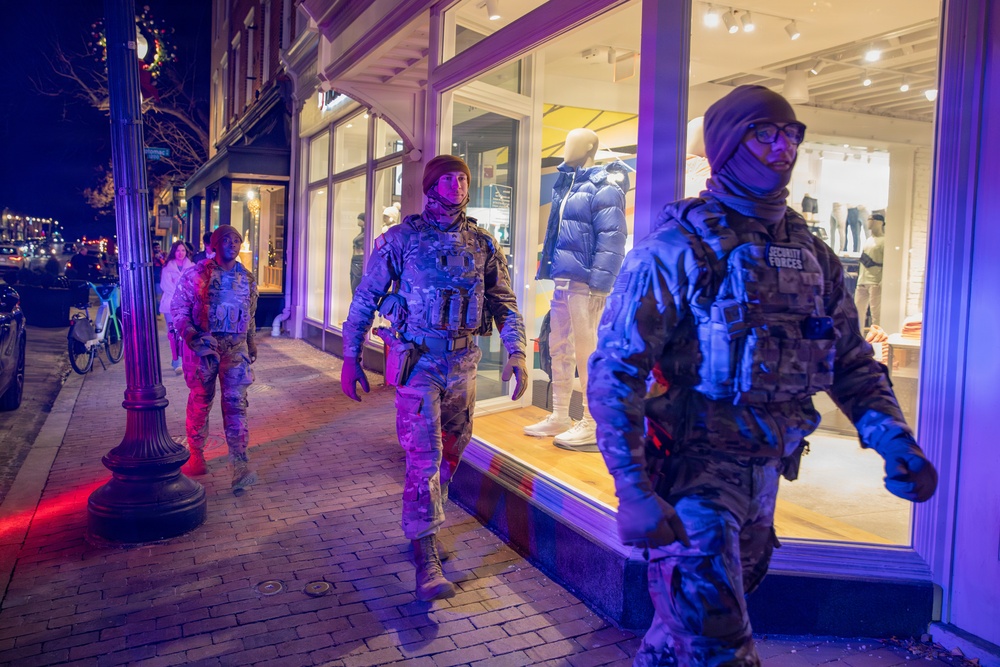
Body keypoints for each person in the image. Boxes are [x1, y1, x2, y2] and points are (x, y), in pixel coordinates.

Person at [588, 85, 937, 666]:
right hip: (691, 480)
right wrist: (632, 490)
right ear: (729, 146)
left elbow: (850, 361)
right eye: (764, 133)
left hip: (767, 477)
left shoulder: (812, 254)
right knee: (720, 648)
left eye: (792, 134)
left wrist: (893, 439)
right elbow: (616, 372)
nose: (783, 148)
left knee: (681, 635)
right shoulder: (677, 248)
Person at [341, 155, 527, 602]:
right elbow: (366, 297)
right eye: (448, 178)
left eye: (463, 178)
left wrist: (518, 351)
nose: (458, 185)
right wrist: (350, 356)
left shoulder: (483, 242)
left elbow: (504, 301)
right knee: (424, 458)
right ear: (429, 186)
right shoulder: (400, 240)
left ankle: (425, 525)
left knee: (452, 453)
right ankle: (426, 556)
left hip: (463, 364)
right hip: (419, 362)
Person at [523, 128, 628, 451]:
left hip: (586, 284)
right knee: (558, 348)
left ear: (591, 147)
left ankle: (592, 422)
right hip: (564, 279)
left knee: (588, 354)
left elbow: (613, 239)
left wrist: (600, 285)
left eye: (574, 143)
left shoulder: (604, 187)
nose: (566, 149)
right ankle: (559, 415)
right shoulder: (567, 185)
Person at [171, 225, 259, 492]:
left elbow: (251, 314)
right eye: (227, 239)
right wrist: (192, 337)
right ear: (215, 244)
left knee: (236, 404)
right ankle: (196, 454)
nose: (233, 244)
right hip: (204, 350)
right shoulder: (197, 274)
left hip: (235, 349)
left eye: (237, 240)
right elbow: (179, 309)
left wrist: (251, 343)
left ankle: (240, 464)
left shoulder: (247, 278)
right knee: (200, 402)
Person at [159, 240, 195, 374]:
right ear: (174, 251)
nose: (181, 253)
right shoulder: (167, 267)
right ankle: (176, 360)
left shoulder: (191, 267)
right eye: (178, 250)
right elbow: (165, 285)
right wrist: (180, 290)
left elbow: (192, 284)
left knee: (183, 333)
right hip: (170, 304)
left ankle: (182, 360)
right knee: (173, 333)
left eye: (183, 250)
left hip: (186, 305)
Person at [855, 212, 885, 329]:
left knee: (876, 314)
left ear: (879, 222)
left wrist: (882, 280)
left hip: (875, 282)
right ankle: (858, 339)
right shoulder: (868, 240)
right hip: (862, 281)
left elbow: (886, 263)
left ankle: (877, 340)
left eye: (871, 219)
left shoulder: (884, 241)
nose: (868, 222)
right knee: (858, 313)